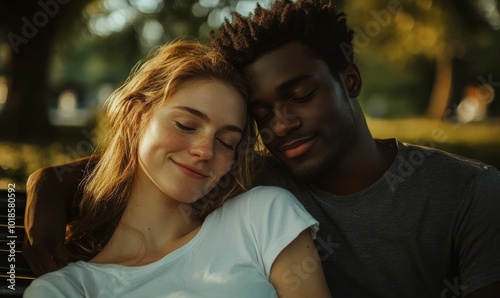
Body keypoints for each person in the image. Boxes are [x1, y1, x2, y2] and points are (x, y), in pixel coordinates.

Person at [23, 0, 500, 297]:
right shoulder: (256, 174)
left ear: (349, 80)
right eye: (262, 113)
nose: (283, 123)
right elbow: (147, 161)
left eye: (302, 95)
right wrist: (43, 183)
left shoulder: (470, 194)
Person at [22, 40, 331, 297]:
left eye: (226, 142)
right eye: (186, 125)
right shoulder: (66, 290)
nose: (204, 151)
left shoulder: (263, 217)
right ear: (135, 118)